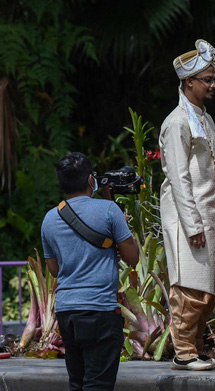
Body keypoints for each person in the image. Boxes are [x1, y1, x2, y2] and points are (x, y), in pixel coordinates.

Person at [159, 39, 215, 371]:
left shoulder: (203, 118)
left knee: (211, 286)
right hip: (189, 216)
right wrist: (193, 225)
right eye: (207, 79)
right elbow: (178, 177)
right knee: (191, 284)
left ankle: (197, 347)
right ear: (188, 81)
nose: (212, 85)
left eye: (214, 79)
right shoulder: (177, 121)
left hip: (210, 214)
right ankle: (184, 351)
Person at [41, 152, 140, 390]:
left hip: (67, 313)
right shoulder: (109, 211)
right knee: (98, 384)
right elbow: (133, 258)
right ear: (90, 179)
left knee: (77, 382)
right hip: (100, 311)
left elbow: (54, 270)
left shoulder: (49, 218)